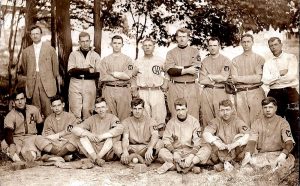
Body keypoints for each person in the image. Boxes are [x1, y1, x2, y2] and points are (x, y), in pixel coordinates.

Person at [242, 97, 295, 181]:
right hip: (262, 155)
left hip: (278, 154)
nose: (268, 110)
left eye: (270, 107)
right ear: (262, 109)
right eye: (265, 107)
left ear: (276, 108)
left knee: (279, 171)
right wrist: (248, 154)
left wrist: (283, 155)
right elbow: (252, 140)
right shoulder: (256, 123)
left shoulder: (283, 122)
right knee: (247, 171)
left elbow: (289, 142)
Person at [157, 98, 211, 174]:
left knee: (207, 149)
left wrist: (191, 156)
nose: (181, 112)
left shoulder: (194, 121)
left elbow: (197, 141)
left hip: (190, 151)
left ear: (187, 109)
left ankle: (177, 166)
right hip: (176, 153)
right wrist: (174, 152)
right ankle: (190, 167)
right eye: (178, 110)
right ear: (175, 110)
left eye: (183, 109)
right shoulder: (171, 122)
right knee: (162, 151)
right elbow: (166, 140)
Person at [262, 37, 299, 144]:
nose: (273, 47)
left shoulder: (290, 57)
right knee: (275, 121)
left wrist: (273, 79)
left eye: (275, 44)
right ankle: (279, 147)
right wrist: (279, 74)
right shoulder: (268, 62)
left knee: (293, 120)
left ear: (281, 45)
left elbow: (291, 76)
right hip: (274, 93)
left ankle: (295, 149)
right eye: (271, 46)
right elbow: (265, 80)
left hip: (290, 92)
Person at [19, 25, 61, 118]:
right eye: (33, 34)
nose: (35, 36)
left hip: (47, 82)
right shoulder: (26, 52)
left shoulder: (50, 49)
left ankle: (49, 130)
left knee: (48, 108)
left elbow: (55, 69)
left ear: (41, 34)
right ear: (30, 36)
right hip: (33, 82)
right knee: (35, 109)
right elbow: (25, 69)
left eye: (37, 33)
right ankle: (36, 131)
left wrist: (53, 80)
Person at [71, 97, 124, 166]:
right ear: (95, 109)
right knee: (79, 136)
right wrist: (88, 134)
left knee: (117, 136)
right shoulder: (92, 118)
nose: (101, 110)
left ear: (107, 107)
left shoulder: (112, 117)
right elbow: (75, 128)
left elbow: (120, 128)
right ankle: (96, 158)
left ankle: (97, 158)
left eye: (103, 107)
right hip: (93, 148)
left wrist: (103, 136)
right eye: (98, 108)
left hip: (106, 150)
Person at [203, 99, 250, 171]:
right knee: (213, 139)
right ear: (219, 111)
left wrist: (235, 144)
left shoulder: (237, 121)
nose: (225, 113)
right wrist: (217, 143)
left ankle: (232, 163)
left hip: (234, 152)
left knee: (240, 137)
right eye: (222, 110)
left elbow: (247, 135)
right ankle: (226, 164)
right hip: (221, 153)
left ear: (232, 110)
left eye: (227, 110)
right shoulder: (215, 121)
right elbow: (206, 134)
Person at [164, 28, 201, 120]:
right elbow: (170, 70)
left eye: (184, 37)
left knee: (192, 113)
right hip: (175, 86)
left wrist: (178, 67)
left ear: (188, 38)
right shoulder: (171, 53)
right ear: (176, 38)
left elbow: (196, 68)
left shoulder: (195, 51)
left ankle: (193, 134)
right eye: (179, 36)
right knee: (175, 113)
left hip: (191, 86)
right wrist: (187, 70)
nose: (181, 39)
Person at [113, 98, 163, 165]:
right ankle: (133, 158)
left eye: (139, 108)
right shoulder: (126, 121)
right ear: (131, 109)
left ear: (143, 109)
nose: (137, 111)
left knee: (160, 143)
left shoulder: (151, 121)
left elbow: (155, 135)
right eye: (135, 108)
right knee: (117, 145)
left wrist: (150, 148)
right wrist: (125, 151)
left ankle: (142, 159)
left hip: (145, 148)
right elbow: (125, 138)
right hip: (131, 148)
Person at [132, 38, 168, 129]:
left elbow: (167, 72)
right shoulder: (137, 61)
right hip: (143, 91)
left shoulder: (160, 60)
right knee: (144, 114)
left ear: (154, 47)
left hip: (156, 90)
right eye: (145, 45)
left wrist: (165, 82)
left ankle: (159, 137)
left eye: (150, 45)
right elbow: (133, 76)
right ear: (142, 47)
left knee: (159, 114)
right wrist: (134, 88)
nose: (147, 47)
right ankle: (146, 137)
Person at [231, 34, 265, 126]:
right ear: (241, 43)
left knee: (258, 121)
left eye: (248, 41)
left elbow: (258, 78)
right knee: (243, 122)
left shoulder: (259, 59)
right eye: (244, 42)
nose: (246, 44)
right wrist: (251, 78)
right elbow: (233, 79)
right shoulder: (235, 60)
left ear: (252, 43)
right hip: (240, 93)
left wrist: (239, 79)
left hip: (255, 91)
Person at [99, 35, 136, 121]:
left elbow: (128, 76)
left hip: (123, 90)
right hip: (108, 89)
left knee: (124, 116)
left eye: (119, 43)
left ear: (122, 45)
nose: (116, 45)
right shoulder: (105, 60)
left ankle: (124, 134)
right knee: (109, 117)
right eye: (114, 43)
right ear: (111, 44)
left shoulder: (128, 60)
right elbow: (103, 77)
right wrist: (121, 76)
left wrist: (112, 74)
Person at [1, 89, 43, 162]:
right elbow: (8, 131)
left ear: (25, 99)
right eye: (17, 100)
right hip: (17, 138)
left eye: (22, 99)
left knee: (30, 153)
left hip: (31, 137)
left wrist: (38, 138)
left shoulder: (34, 109)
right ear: (13, 103)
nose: (20, 102)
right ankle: (18, 160)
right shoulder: (10, 115)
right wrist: (11, 144)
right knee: (4, 143)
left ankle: (29, 156)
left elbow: (40, 125)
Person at [68, 31, 101, 121]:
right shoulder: (73, 54)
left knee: (88, 110)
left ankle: (87, 133)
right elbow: (71, 71)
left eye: (87, 41)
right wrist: (88, 70)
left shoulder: (95, 55)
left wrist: (79, 71)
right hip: (75, 83)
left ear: (90, 41)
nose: (85, 43)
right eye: (82, 41)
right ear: (79, 42)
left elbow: (97, 74)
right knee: (75, 110)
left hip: (89, 84)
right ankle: (74, 133)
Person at [199, 37, 232, 127]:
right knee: (207, 119)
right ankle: (208, 140)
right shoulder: (205, 61)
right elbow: (201, 80)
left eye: (215, 45)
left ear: (219, 46)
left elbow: (224, 77)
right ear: (208, 47)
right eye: (210, 46)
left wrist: (210, 76)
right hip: (207, 92)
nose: (213, 48)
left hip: (220, 91)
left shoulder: (226, 60)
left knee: (222, 117)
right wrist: (215, 79)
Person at [35, 95, 78, 160]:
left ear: (63, 105)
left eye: (58, 105)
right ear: (51, 107)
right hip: (54, 144)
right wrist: (59, 136)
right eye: (54, 106)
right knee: (38, 138)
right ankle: (63, 156)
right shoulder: (49, 119)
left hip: (66, 143)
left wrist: (60, 137)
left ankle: (54, 156)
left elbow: (73, 133)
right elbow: (47, 135)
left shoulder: (71, 117)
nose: (57, 108)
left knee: (76, 139)